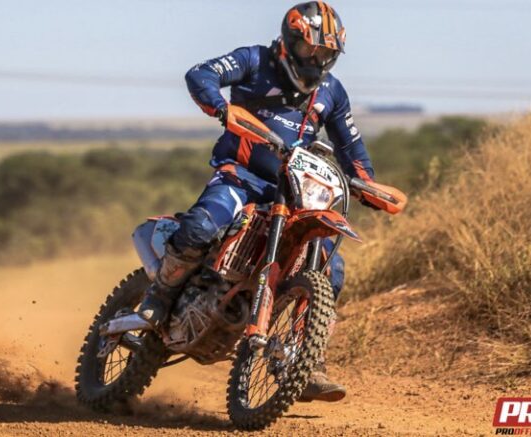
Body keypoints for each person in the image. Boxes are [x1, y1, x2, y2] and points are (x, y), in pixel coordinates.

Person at [138, 1, 378, 402]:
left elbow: (351, 146)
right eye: (310, 48)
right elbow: (201, 73)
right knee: (201, 226)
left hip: (294, 193)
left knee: (330, 267)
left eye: (326, 53)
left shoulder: (332, 91)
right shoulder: (254, 60)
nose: (316, 59)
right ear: (289, 40)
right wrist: (220, 106)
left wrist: (368, 184)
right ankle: (159, 296)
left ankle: (304, 360)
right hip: (241, 176)